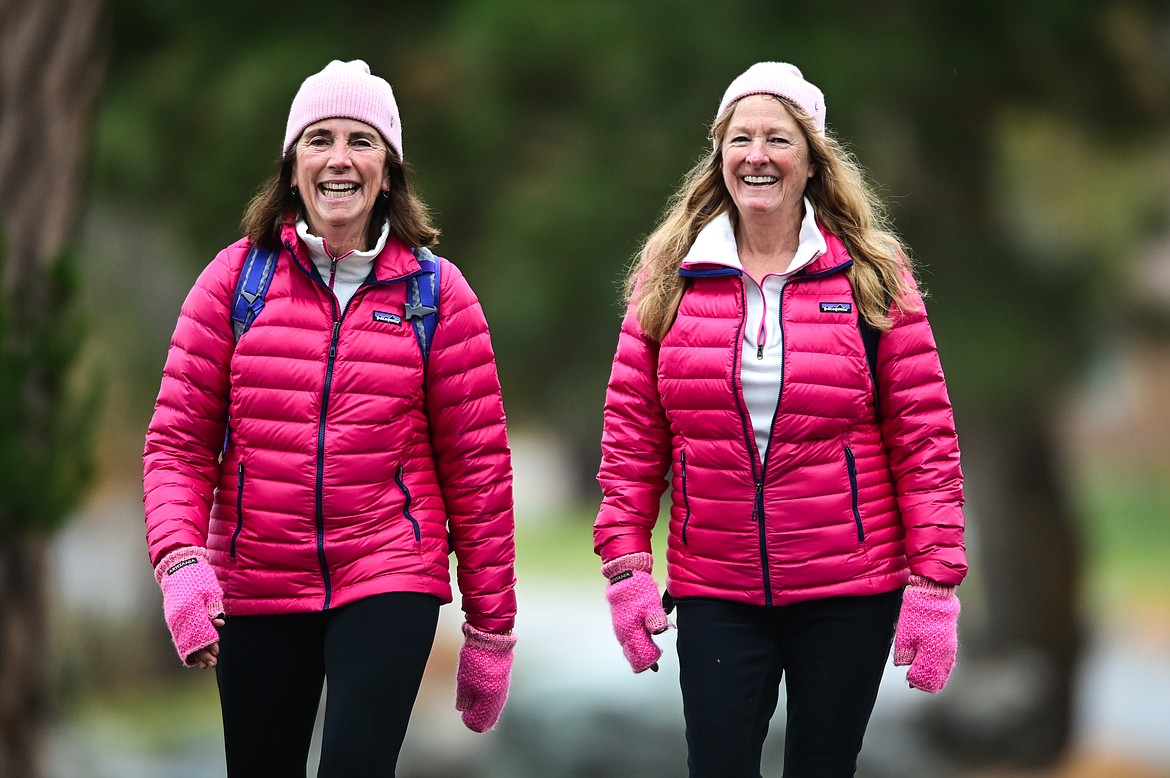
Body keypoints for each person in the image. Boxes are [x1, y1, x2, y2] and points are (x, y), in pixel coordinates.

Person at [143, 59, 518, 776]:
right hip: (255, 575)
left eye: (361, 141)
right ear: (291, 168)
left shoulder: (440, 296)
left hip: (388, 573)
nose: (339, 159)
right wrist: (182, 561)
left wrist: (491, 628)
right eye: (319, 140)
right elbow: (177, 446)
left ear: (390, 171)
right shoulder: (235, 282)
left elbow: (479, 473)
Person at [594, 61, 966, 777]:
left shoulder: (872, 273)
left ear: (812, 160)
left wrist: (935, 585)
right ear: (720, 157)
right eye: (740, 138)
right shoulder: (669, 274)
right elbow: (632, 435)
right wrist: (625, 566)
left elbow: (924, 438)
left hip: (849, 589)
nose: (756, 154)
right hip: (716, 587)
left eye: (778, 138)